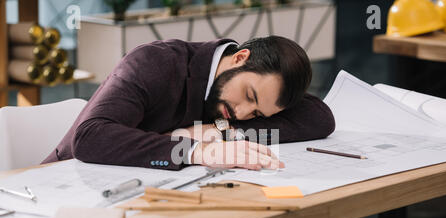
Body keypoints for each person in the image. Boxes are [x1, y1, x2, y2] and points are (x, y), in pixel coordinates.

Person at [42, 36, 335, 171]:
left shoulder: (239, 104)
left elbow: (319, 118)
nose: (243, 114)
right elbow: (91, 138)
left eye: (257, 113)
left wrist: (220, 133)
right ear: (240, 57)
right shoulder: (154, 63)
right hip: (65, 190)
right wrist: (197, 150)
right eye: (249, 95)